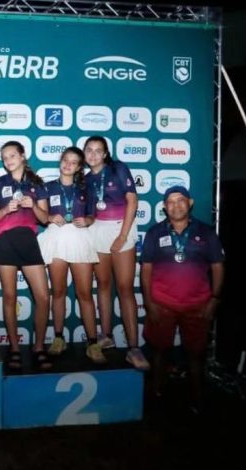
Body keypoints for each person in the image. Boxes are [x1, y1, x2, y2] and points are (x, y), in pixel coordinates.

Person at [141, 186, 224, 412]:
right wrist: (149, 303)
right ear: (164, 207)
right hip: (162, 305)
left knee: (196, 355)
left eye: (181, 200)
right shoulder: (154, 233)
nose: (176, 205)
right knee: (159, 351)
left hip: (197, 306)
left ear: (190, 203)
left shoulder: (206, 233)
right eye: (171, 201)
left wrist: (214, 300)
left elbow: (218, 267)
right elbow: (146, 269)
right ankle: (157, 393)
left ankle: (197, 398)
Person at [84, 136, 149, 370]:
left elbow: (132, 200)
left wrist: (122, 236)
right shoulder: (86, 179)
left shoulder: (118, 168)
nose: (93, 154)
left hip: (122, 227)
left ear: (105, 154)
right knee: (103, 284)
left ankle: (133, 348)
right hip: (98, 230)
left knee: (124, 288)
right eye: (89, 150)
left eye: (98, 150)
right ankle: (107, 335)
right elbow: (90, 212)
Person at [37, 147, 105, 363]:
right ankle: (58, 338)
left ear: (78, 168)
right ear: (60, 161)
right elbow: (40, 215)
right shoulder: (47, 187)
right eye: (65, 160)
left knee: (84, 293)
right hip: (56, 238)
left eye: (73, 162)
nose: (68, 164)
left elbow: (92, 215)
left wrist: (88, 221)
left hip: (79, 238)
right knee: (58, 292)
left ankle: (93, 343)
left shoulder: (86, 189)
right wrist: (49, 217)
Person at [0, 141, 51, 370]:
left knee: (43, 297)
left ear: (22, 156)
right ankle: (14, 348)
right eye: (5, 158)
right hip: (5, 242)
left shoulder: (36, 183)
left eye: (12, 155)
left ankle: (39, 347)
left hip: (28, 242)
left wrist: (32, 205)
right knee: (9, 297)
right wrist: (6, 209)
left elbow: (44, 219)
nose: (8, 161)